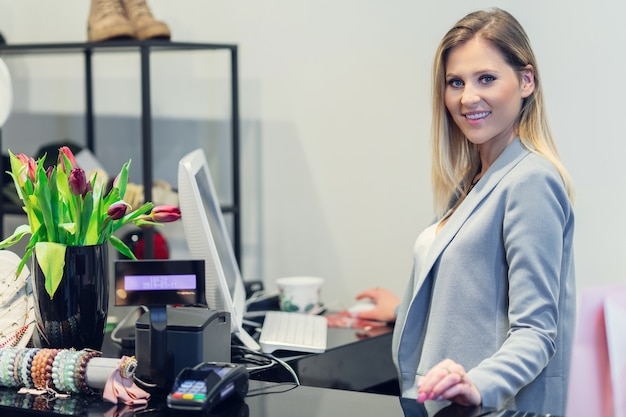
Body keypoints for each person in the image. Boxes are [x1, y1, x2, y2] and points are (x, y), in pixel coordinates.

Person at [355, 8, 575, 416]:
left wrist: (477, 383)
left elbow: (537, 332)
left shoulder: (531, 181)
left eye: (486, 78)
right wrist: (404, 310)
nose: (467, 97)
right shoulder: (476, 177)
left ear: (526, 80)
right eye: (455, 82)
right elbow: (477, 296)